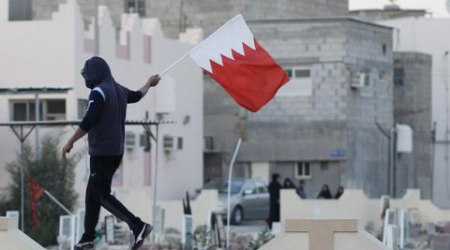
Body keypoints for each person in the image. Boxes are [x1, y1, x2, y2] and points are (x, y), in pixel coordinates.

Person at [62, 56, 161, 250]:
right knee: (92, 194)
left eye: (88, 75)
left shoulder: (99, 93)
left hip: (101, 154)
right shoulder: (118, 89)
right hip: (115, 152)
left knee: (101, 194)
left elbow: (87, 123)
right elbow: (137, 95)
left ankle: (138, 225)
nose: (87, 80)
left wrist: (69, 142)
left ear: (96, 74)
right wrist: (149, 84)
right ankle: (87, 238)